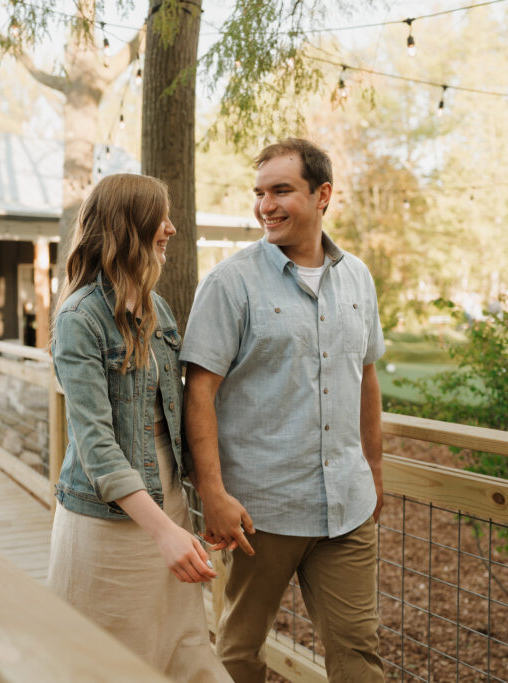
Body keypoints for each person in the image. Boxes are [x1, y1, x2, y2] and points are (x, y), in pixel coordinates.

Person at [181, 138, 386, 682]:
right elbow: (198, 391)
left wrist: (374, 471)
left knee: (360, 655)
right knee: (239, 653)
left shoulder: (358, 279)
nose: (265, 205)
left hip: (347, 506)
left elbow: (366, 376)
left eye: (281, 191)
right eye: (259, 192)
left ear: (322, 195)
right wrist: (213, 493)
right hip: (260, 513)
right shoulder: (231, 283)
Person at [47, 173, 231, 682]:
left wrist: (205, 500)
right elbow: (97, 447)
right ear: (128, 226)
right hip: (109, 525)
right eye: (159, 217)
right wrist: (164, 533)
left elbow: (178, 415)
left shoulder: (158, 309)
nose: (170, 228)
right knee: (110, 664)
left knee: (184, 649)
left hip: (168, 504)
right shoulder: (79, 318)